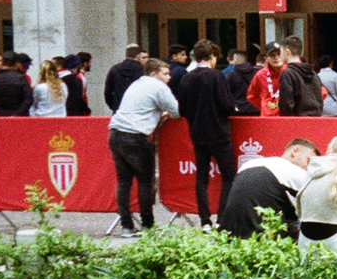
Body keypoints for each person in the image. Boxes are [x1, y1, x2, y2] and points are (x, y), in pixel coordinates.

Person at [107, 58, 180, 236]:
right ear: (153, 73)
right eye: (165, 73)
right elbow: (177, 111)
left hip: (115, 132)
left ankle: (126, 226)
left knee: (124, 181)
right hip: (137, 135)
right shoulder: (159, 87)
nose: (169, 77)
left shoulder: (135, 84)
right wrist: (163, 114)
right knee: (145, 181)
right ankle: (147, 224)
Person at [176, 39, 240, 227]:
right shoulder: (216, 76)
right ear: (211, 56)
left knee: (201, 178)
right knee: (228, 177)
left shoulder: (186, 78)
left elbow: (182, 110)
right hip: (218, 133)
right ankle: (222, 219)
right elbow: (226, 104)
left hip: (197, 133)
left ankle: (205, 221)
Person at [219, 138, 317, 239]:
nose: (308, 168)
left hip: (229, 235)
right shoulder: (295, 171)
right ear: (295, 151)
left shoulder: (248, 165)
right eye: (308, 160)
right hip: (263, 237)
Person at [275, 37, 323, 117]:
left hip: (296, 123)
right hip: (314, 122)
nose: (279, 56)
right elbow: (319, 100)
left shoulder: (287, 74)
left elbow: (286, 103)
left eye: (280, 52)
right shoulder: (314, 74)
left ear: (287, 52)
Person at [102, 44, 147, 112]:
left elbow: (108, 91)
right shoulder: (143, 71)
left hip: (119, 106)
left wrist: (113, 105)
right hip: (137, 108)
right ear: (138, 56)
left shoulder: (114, 69)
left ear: (126, 55)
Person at [246, 43, 283, 116]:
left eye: (279, 54)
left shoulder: (289, 72)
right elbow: (252, 96)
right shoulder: (261, 74)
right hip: (266, 118)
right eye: (272, 55)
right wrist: (264, 106)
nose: (276, 57)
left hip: (284, 117)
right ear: (266, 58)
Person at [224, 47, 261, 114]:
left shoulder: (232, 75)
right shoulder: (256, 73)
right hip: (255, 109)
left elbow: (226, 94)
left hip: (239, 110)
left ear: (237, 59)